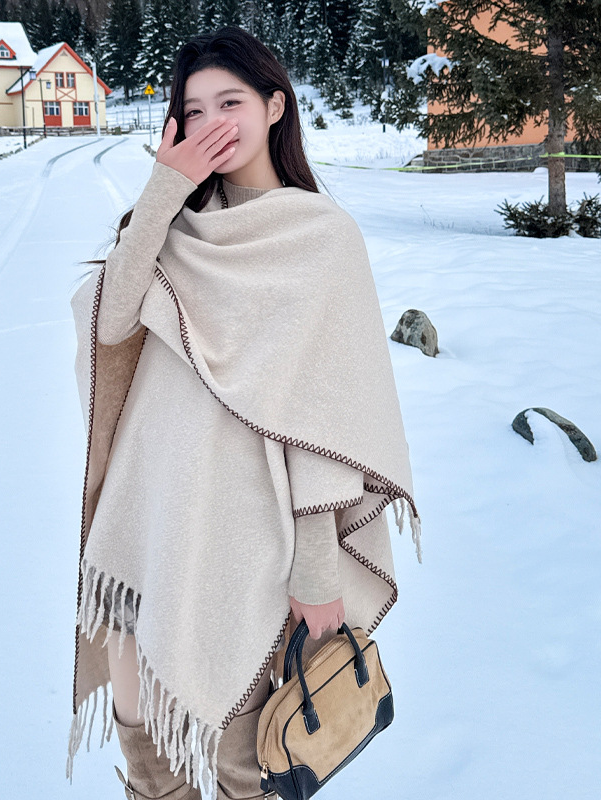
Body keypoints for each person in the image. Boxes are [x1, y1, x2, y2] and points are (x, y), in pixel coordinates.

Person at [66, 25, 422, 800]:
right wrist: (163, 190)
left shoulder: (321, 239)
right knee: (148, 751)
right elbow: (111, 323)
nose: (211, 123)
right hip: (151, 520)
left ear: (274, 106)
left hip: (255, 535)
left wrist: (318, 565)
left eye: (230, 101)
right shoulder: (170, 229)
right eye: (192, 111)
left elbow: (328, 419)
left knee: (241, 760)